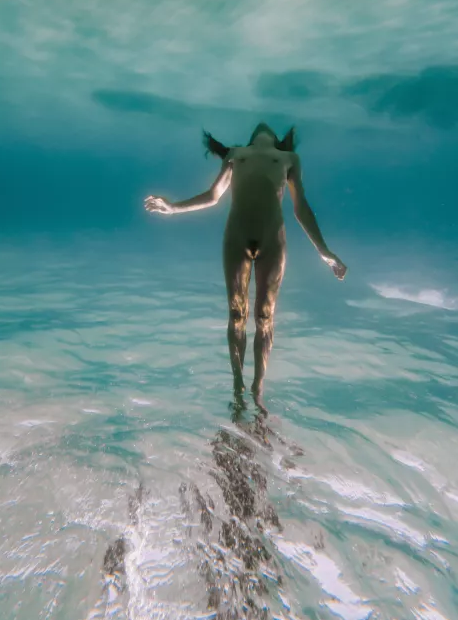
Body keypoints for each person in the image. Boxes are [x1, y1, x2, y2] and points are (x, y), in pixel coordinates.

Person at [144, 123, 347, 411]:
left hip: (272, 239)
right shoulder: (236, 155)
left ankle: (258, 388)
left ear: (278, 142)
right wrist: (173, 207)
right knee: (237, 313)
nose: (261, 124)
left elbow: (301, 207)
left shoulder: (289, 159)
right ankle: (238, 386)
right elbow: (213, 196)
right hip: (236, 237)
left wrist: (325, 252)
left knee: (265, 316)